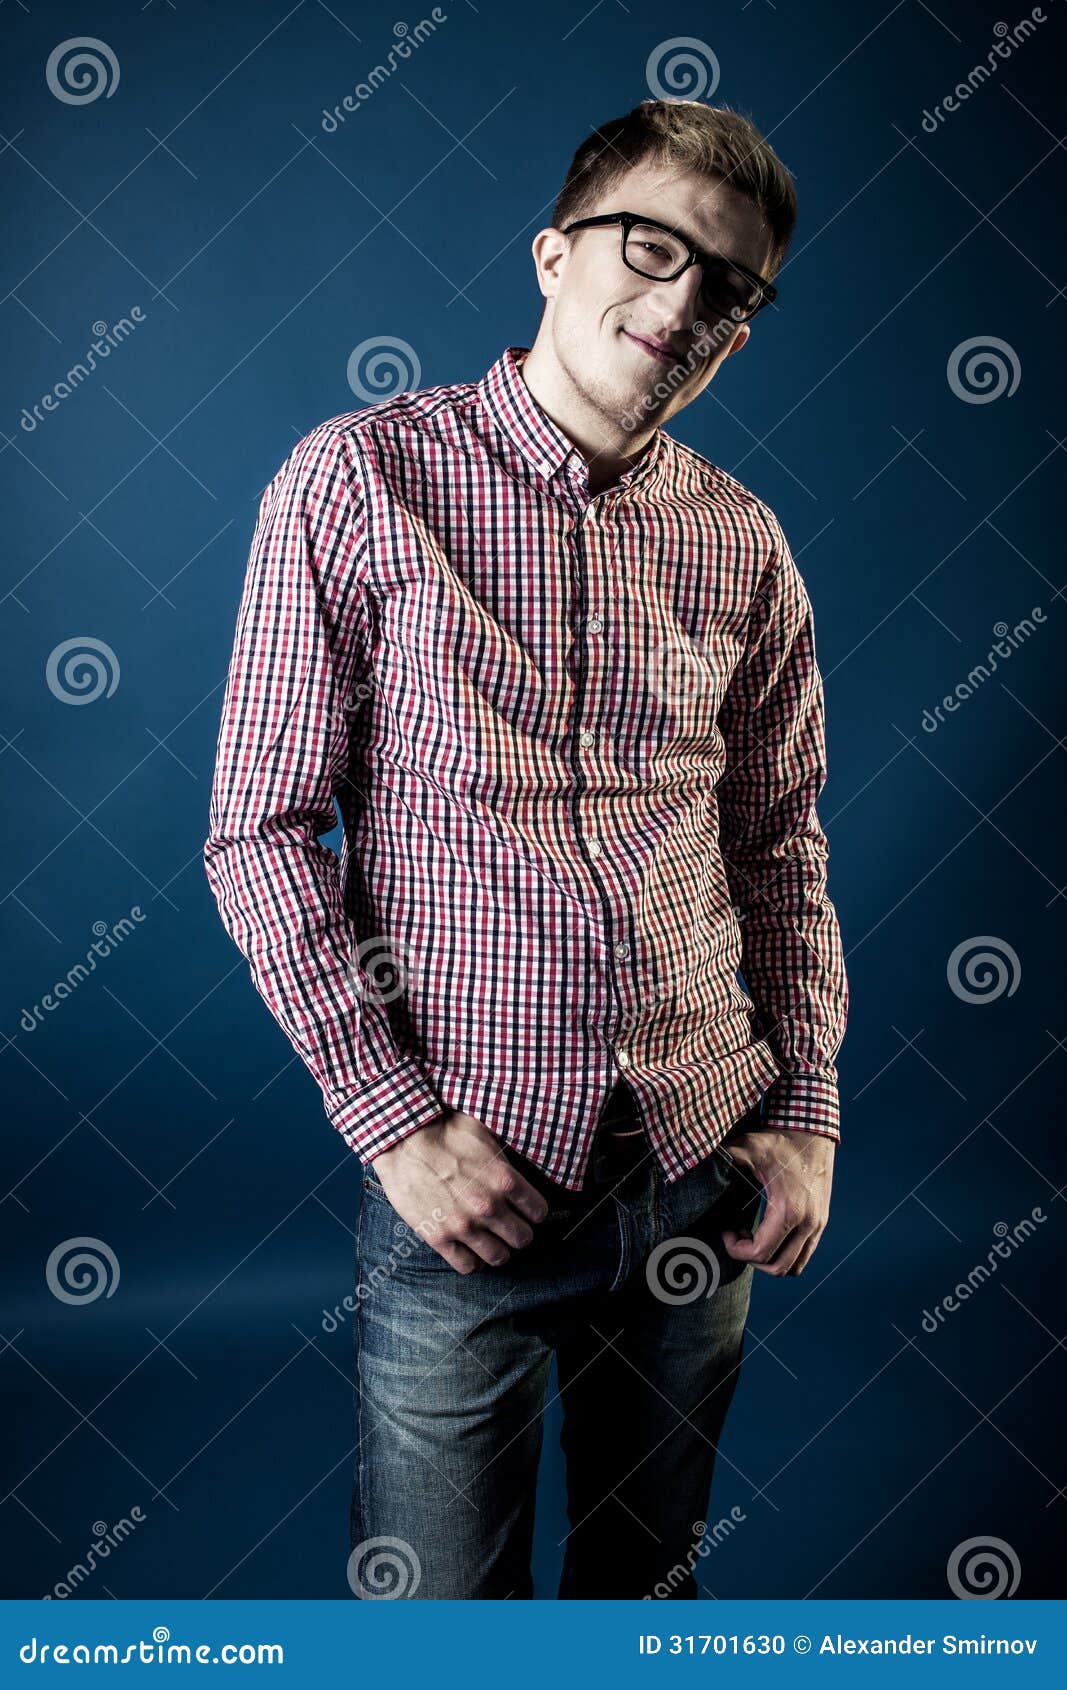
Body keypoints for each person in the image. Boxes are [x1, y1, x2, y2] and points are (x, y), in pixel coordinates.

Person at [203, 98, 848, 1600]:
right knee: (439, 1619)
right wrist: (398, 1124)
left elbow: (778, 847)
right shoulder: (356, 482)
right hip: (464, 1185)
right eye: (651, 246)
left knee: (647, 1589)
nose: (681, 300)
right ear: (553, 255)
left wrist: (805, 1110)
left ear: (741, 333)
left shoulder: (745, 545)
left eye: (727, 286)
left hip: (700, 1175)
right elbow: (261, 830)